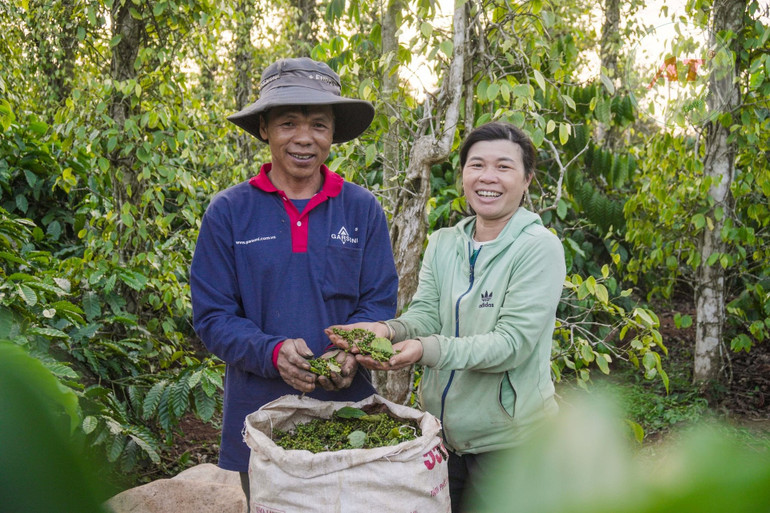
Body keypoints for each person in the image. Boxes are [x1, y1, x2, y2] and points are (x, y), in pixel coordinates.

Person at [190, 57, 398, 507]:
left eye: (319, 125)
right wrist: (271, 352)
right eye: (288, 122)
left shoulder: (362, 210)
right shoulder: (228, 213)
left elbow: (379, 302)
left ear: (332, 134)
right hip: (259, 421)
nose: (304, 138)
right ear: (264, 128)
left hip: (349, 416)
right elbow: (212, 317)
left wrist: (350, 352)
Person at [327, 121, 566, 512]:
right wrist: (387, 329)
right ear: (462, 176)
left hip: (512, 444)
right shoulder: (444, 243)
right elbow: (426, 313)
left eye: (504, 167)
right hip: (442, 438)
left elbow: (511, 345)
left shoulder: (538, 248)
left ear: (527, 181)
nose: (488, 177)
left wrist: (424, 350)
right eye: (476, 165)